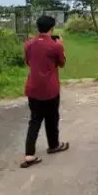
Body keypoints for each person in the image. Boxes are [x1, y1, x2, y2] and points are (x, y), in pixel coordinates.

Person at [20, 14, 69, 168]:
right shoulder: (56, 46)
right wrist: (61, 46)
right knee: (52, 118)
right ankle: (53, 145)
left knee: (34, 120)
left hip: (33, 88)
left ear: (38, 28)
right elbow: (62, 63)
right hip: (50, 89)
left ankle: (29, 155)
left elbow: (28, 61)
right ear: (52, 28)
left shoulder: (29, 44)